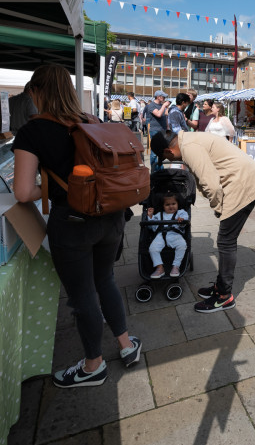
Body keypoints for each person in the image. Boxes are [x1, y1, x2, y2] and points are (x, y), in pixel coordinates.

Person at [12, 64, 141, 387]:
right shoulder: (91, 121)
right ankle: (126, 345)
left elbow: (23, 192)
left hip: (72, 222)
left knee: (82, 295)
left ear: (37, 92)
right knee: (106, 280)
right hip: (110, 215)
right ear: (69, 92)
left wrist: (53, 185)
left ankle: (93, 365)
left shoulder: (32, 131)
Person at [149, 130, 255, 312]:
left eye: (166, 158)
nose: (169, 161)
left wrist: (218, 208)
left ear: (168, 151)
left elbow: (212, 185)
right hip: (241, 179)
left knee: (226, 241)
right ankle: (220, 287)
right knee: (226, 239)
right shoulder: (187, 140)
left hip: (241, 183)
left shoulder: (189, 148)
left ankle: (224, 296)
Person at [147, 192, 188, 278]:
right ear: (163, 206)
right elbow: (152, 227)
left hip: (175, 234)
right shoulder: (159, 215)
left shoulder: (180, 213)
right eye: (167, 204)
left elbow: (185, 219)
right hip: (160, 235)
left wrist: (182, 220)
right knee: (152, 249)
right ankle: (159, 267)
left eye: (173, 204)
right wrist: (150, 216)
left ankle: (176, 266)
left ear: (177, 204)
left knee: (182, 245)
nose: (171, 206)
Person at [146, 90, 171, 172]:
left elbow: (165, 117)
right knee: (154, 153)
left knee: (161, 152)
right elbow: (159, 115)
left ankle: (160, 169)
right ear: (158, 97)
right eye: (163, 97)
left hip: (162, 130)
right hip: (155, 130)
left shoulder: (161, 105)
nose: (164, 98)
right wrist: (164, 106)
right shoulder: (151, 105)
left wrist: (167, 128)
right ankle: (154, 170)